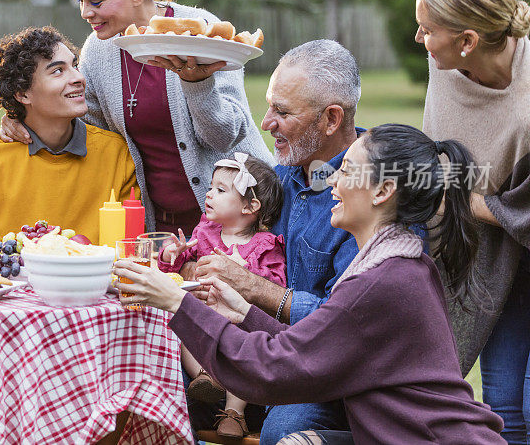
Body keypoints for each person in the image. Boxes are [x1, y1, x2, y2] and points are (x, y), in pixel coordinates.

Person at [115, 123, 506, 444]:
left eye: (348, 171)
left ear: (384, 191)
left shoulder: (380, 283)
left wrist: (177, 303)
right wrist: (245, 312)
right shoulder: (400, 264)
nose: (332, 178)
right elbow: (312, 349)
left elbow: (272, 369)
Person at [0, 0, 271, 236]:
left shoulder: (200, 31)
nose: (85, 12)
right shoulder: (98, 51)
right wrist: (24, 119)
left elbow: (224, 137)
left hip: (242, 223)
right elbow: (87, 130)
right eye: (81, 0)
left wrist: (199, 84)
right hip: (162, 228)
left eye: (96, 1)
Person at [188, 40, 362, 442]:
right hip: (259, 346)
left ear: (331, 119)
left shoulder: (367, 192)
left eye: (282, 112)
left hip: (325, 369)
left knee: (284, 429)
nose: (266, 123)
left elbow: (346, 323)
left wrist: (251, 285)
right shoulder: (280, 177)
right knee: (153, 382)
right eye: (269, 106)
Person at [416, 0, 530, 444]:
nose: (419, 39)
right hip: (490, 258)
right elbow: (431, 164)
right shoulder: (445, 64)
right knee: (502, 407)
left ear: (467, 40)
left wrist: (459, 201)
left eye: (427, 30)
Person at [0, 26, 138, 242]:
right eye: (57, 71)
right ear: (22, 93)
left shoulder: (116, 153)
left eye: (75, 66)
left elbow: (130, 250)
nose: (78, 78)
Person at [157, 152, 285, 438]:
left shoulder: (264, 244)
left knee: (247, 346)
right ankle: (205, 377)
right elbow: (177, 268)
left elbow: (275, 283)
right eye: (211, 187)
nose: (209, 195)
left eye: (220, 190)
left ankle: (234, 412)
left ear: (250, 206)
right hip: (204, 317)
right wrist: (171, 255)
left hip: (236, 322)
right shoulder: (205, 233)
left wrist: (248, 275)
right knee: (184, 324)